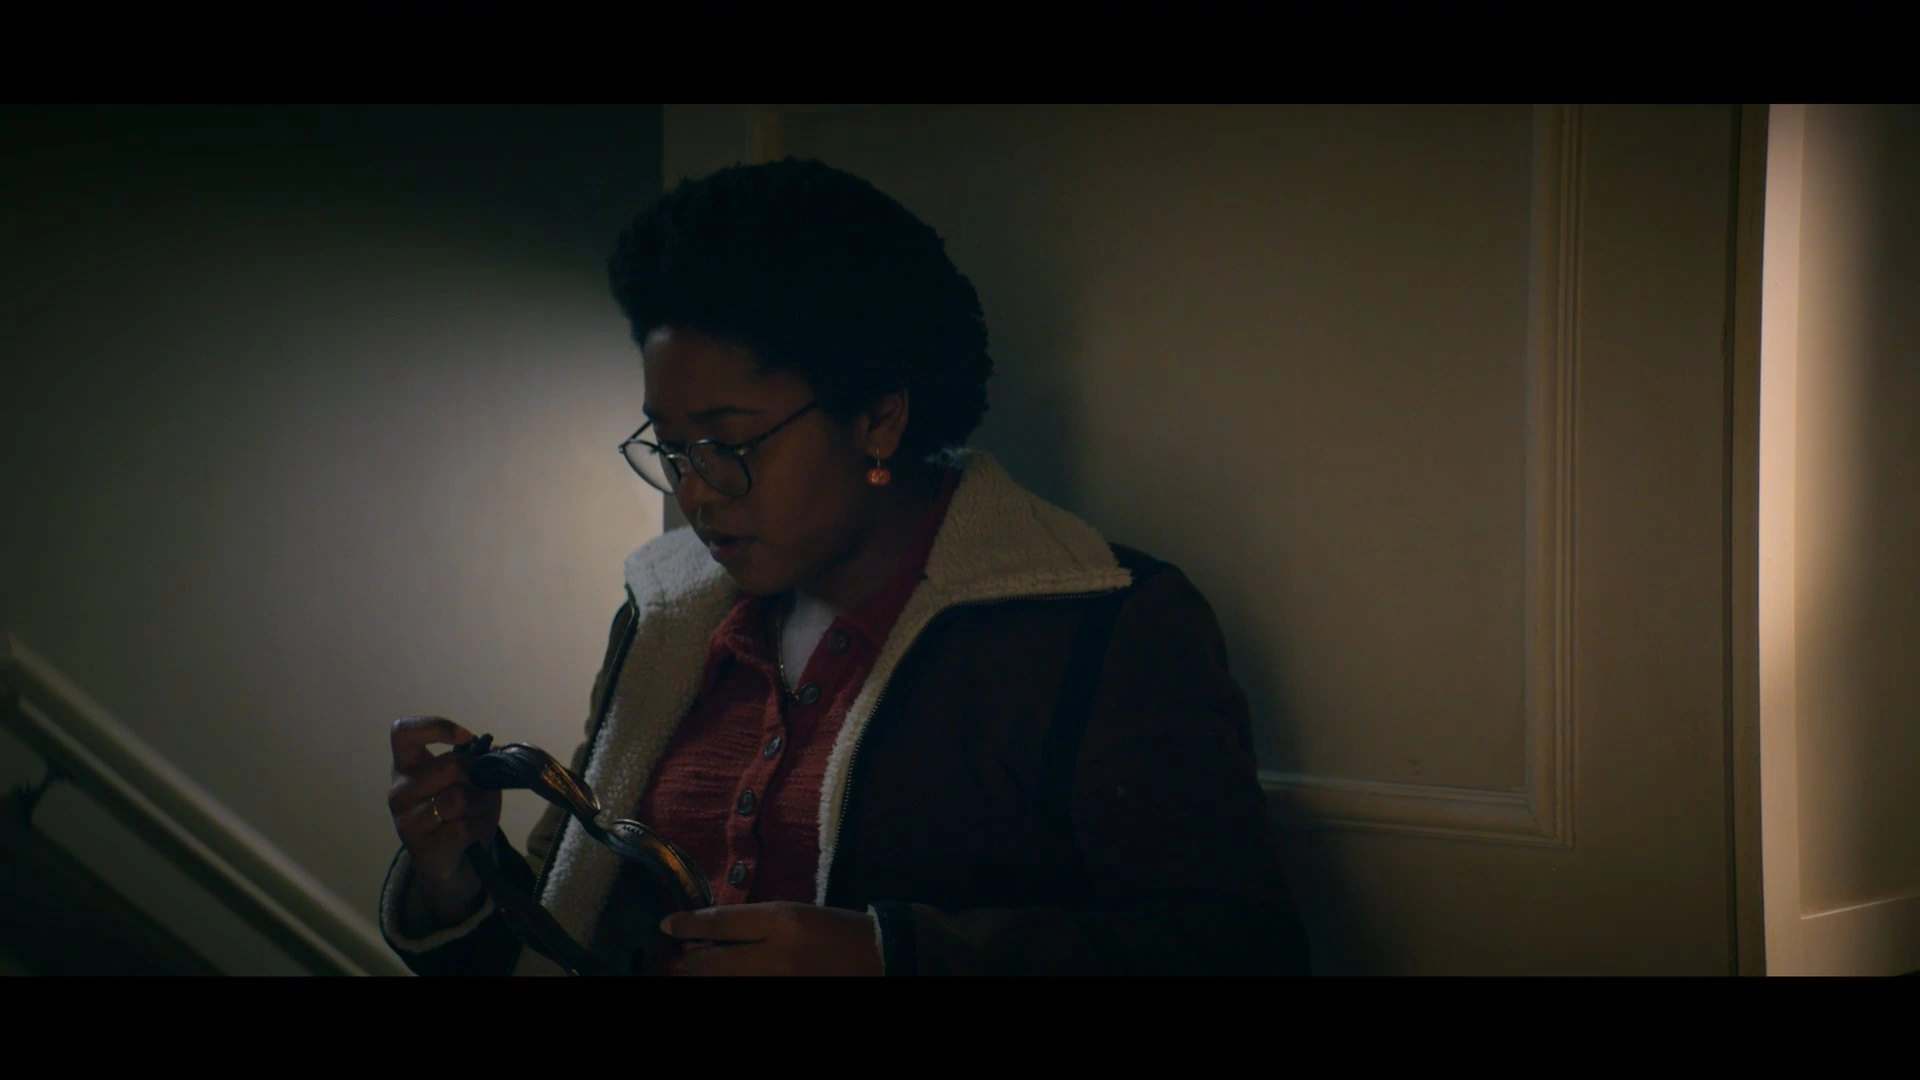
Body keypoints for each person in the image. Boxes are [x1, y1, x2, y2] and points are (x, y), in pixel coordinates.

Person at [379, 157, 1309, 976]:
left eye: (729, 443)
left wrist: (889, 955)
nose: (695, 491)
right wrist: (457, 878)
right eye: (669, 445)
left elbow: (1236, 953)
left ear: (878, 419)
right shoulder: (669, 617)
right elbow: (568, 930)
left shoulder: (1099, 624)